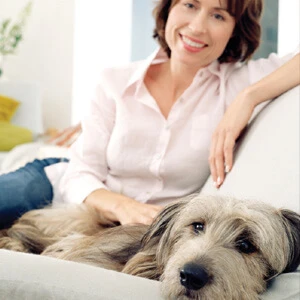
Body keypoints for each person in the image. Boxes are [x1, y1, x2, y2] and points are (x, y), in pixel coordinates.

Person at [0, 0, 299, 229]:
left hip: (140, 226)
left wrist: (249, 97)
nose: (197, 26)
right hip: (60, 184)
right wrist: (123, 207)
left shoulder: (238, 84)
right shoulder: (114, 81)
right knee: (12, 198)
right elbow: (79, 173)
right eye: (190, 5)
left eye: (218, 15)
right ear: (169, 9)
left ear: (236, 29)